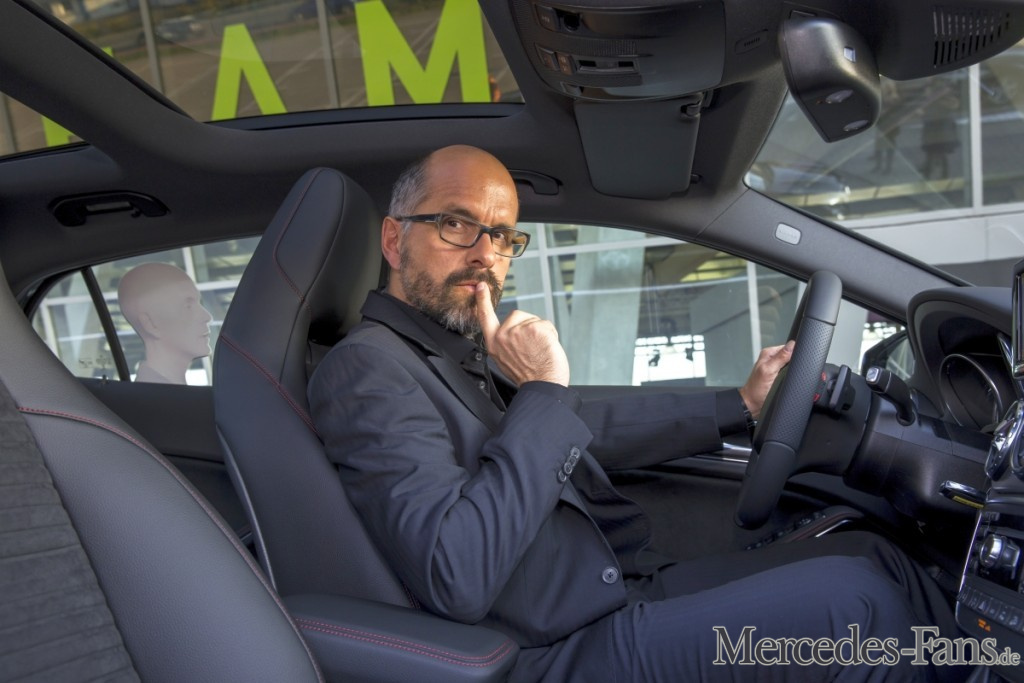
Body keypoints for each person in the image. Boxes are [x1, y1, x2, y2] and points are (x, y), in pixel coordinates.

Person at [308, 145, 964, 682]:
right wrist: (543, 390)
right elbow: (457, 571)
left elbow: (582, 430)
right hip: (554, 650)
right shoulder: (366, 369)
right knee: (857, 612)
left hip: (611, 592)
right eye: (456, 224)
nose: (485, 254)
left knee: (873, 557)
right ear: (394, 239)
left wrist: (740, 405)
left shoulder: (450, 350)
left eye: (503, 236)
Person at [117, 262, 212, 384]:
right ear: (150, 324)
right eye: (188, 306)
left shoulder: (158, 391)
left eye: (199, 303)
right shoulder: (155, 395)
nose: (207, 317)